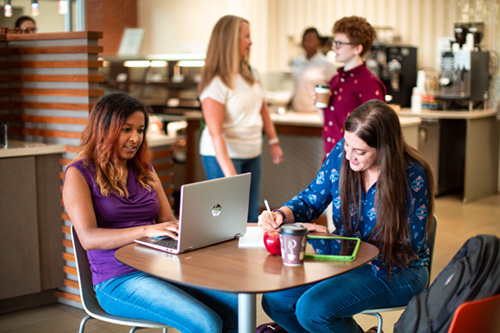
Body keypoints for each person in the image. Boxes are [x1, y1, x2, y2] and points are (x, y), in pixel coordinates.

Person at [63, 93, 238, 333]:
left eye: (140, 130)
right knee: (207, 322)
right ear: (104, 129)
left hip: (161, 267)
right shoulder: (78, 174)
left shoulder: (144, 169)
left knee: (237, 305)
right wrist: (146, 229)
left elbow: (168, 221)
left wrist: (201, 231)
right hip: (117, 279)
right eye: (126, 129)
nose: (135, 138)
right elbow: (88, 238)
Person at [258, 99, 435, 333]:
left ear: (385, 148)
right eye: (346, 146)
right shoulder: (344, 153)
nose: (349, 155)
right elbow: (312, 198)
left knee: (313, 310)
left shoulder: (413, 175)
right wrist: (281, 214)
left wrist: (333, 240)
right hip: (347, 259)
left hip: (399, 268)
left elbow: (405, 245)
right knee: (276, 302)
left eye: (359, 151)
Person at [197, 15, 283, 222]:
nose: (250, 42)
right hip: (222, 157)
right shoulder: (215, 82)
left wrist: (273, 141)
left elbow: (262, 107)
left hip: (252, 152)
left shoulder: (250, 73)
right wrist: (230, 175)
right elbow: (215, 133)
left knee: (251, 216)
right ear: (230, 41)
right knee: (227, 218)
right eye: (246, 36)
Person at [320, 16, 386, 160]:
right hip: (330, 159)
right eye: (333, 42)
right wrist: (320, 106)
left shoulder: (370, 84)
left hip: (353, 164)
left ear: (357, 48)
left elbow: (376, 133)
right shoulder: (335, 81)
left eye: (339, 44)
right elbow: (330, 124)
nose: (333, 47)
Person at [290, 27, 336, 112]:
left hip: (316, 112)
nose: (306, 43)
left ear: (319, 42)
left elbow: (334, 90)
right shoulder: (296, 62)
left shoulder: (327, 64)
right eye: (304, 40)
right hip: (296, 110)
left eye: (310, 40)